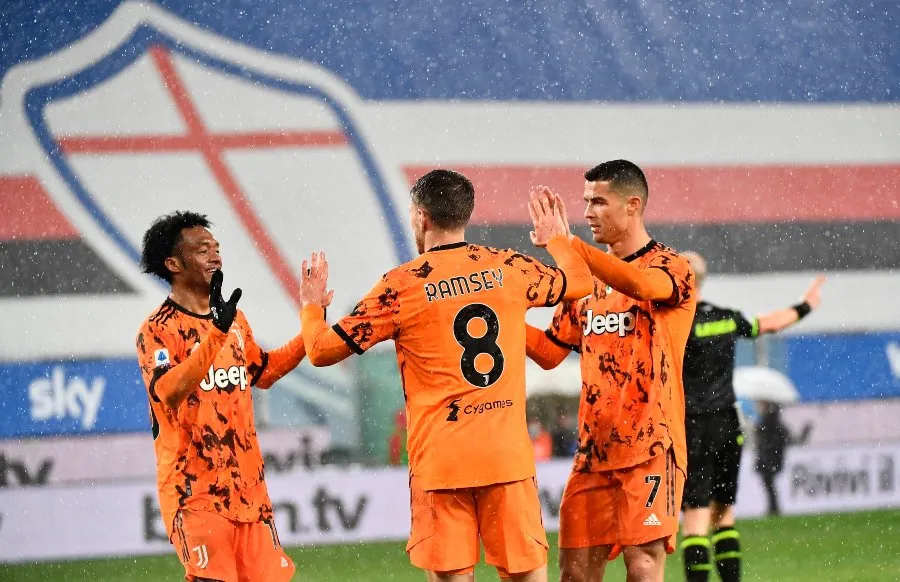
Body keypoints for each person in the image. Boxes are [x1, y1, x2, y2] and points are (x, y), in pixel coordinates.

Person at [298, 169, 594, 581]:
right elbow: (579, 282)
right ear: (465, 214)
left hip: (442, 462)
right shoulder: (507, 267)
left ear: (421, 216)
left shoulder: (401, 287)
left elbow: (320, 351)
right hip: (504, 456)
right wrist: (555, 240)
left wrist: (312, 308)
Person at [524, 160, 697, 582]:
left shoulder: (672, 268)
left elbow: (640, 286)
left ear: (632, 205)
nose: (587, 212)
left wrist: (570, 246)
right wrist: (502, 319)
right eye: (585, 202)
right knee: (575, 574)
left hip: (651, 448)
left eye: (598, 202)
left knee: (642, 566)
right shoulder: (586, 286)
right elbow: (550, 352)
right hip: (592, 453)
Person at [135, 211, 313, 582]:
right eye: (203, 250)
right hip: (193, 492)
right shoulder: (157, 331)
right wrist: (215, 332)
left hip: (250, 493)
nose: (215, 256)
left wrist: (313, 325)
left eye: (217, 248)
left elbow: (263, 372)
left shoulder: (235, 320)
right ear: (173, 264)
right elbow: (169, 392)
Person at [678, 251, 824, 582]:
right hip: (727, 424)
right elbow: (770, 323)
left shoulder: (672, 323)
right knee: (724, 515)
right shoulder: (726, 318)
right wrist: (806, 305)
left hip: (690, 425)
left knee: (695, 520)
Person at [753, 400, 811, 518]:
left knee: (769, 485)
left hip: (767, 460)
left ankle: (773, 509)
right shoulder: (778, 425)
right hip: (774, 460)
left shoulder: (765, 424)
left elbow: (762, 442)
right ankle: (773, 508)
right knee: (770, 485)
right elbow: (793, 440)